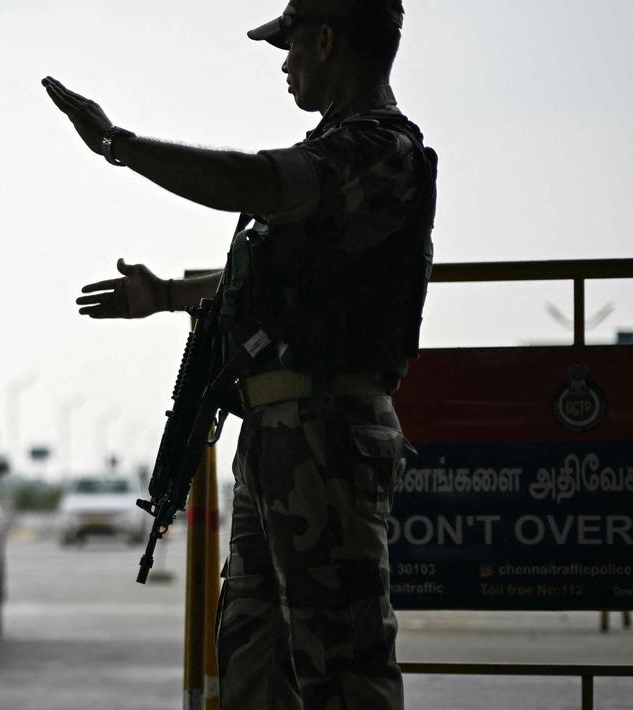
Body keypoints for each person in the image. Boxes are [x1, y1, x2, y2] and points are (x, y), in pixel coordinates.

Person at [43, 1, 436, 708]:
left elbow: (257, 181)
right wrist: (164, 294)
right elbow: (278, 280)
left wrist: (118, 145)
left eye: (290, 48)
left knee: (340, 661)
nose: (284, 65)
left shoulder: (377, 150)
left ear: (324, 40)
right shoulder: (338, 157)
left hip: (327, 432)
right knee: (254, 653)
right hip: (278, 434)